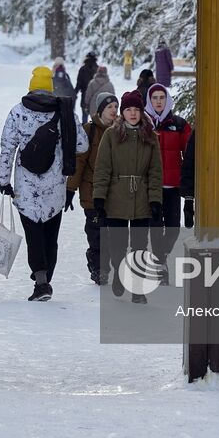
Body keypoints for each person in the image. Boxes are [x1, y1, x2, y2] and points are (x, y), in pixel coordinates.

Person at [0, 66, 87, 301]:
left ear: (31, 86)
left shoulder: (17, 113)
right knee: (51, 234)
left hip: (26, 187)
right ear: (51, 88)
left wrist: (3, 181)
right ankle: (47, 277)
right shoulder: (64, 113)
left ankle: (41, 280)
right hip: (55, 187)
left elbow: (7, 149)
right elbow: (82, 146)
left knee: (33, 234)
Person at [92, 89, 164, 304]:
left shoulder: (150, 137)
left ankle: (137, 288)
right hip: (116, 197)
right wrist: (99, 197)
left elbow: (155, 171)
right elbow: (103, 167)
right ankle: (119, 272)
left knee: (140, 246)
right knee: (118, 245)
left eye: (136, 109)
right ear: (122, 113)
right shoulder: (111, 135)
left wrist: (155, 199)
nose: (133, 114)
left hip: (141, 197)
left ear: (142, 112)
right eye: (128, 109)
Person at [68, 90, 118, 285]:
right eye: (109, 107)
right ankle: (99, 268)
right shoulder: (88, 130)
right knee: (96, 232)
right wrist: (70, 190)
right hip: (91, 191)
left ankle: (102, 263)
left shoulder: (121, 130)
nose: (113, 110)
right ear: (100, 110)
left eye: (115, 106)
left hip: (114, 192)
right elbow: (79, 162)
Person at [144, 83, 192, 282]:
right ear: (149, 100)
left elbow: (190, 152)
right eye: (154, 97)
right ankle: (160, 264)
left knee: (173, 227)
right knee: (155, 226)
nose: (158, 101)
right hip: (152, 186)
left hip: (173, 185)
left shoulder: (179, 124)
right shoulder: (143, 124)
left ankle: (160, 257)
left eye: (161, 97)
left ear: (167, 100)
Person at [52, 59, 77, 123]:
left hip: (53, 106)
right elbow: (72, 93)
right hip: (65, 106)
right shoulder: (66, 76)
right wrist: (72, 107)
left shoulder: (51, 76)